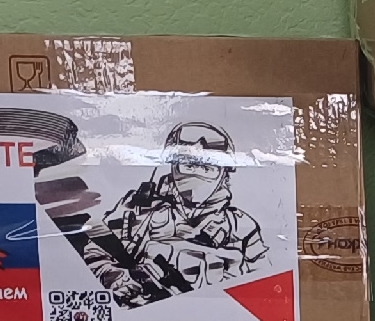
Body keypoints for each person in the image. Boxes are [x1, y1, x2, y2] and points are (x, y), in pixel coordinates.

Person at [67, 120, 267, 304]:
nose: (197, 174)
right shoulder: (138, 209)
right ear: (173, 166)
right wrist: (119, 281)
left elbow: (266, 282)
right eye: (188, 165)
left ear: (223, 173)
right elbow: (95, 252)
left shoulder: (241, 226)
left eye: (208, 168)